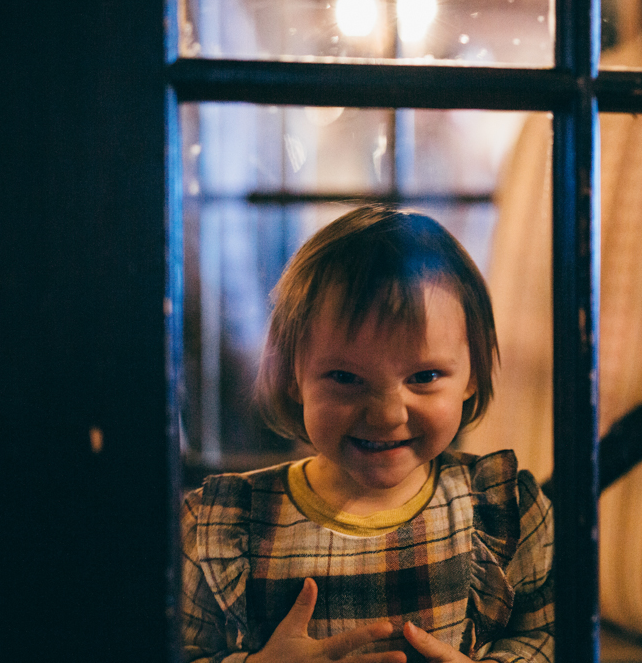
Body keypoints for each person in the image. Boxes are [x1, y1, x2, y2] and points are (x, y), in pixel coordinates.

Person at [180, 206, 554, 663]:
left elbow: (550, 635)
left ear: (472, 373)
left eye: (424, 375)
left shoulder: (504, 511)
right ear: (294, 376)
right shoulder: (222, 527)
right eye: (344, 377)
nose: (386, 414)